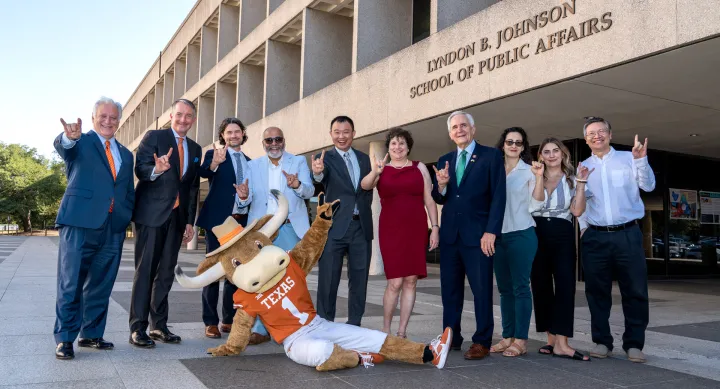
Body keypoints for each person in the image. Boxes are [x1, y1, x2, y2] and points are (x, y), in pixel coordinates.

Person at [52, 97, 135, 360]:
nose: (108, 121)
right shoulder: (81, 142)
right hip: (79, 222)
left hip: (113, 227)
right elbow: (64, 148)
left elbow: (126, 190)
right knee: (71, 282)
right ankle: (65, 338)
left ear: (119, 121)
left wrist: (125, 217)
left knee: (101, 284)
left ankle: (91, 334)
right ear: (93, 118)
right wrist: (69, 138)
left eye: (113, 117)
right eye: (103, 116)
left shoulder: (126, 154)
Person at [578, 116, 655, 363]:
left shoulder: (628, 158)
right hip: (595, 237)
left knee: (635, 291)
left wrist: (641, 160)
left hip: (628, 235)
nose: (597, 136)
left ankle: (634, 344)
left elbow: (649, 186)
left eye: (601, 131)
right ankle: (602, 341)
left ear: (610, 135)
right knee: (596, 292)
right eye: (591, 133)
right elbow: (580, 200)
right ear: (586, 139)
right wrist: (583, 229)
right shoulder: (584, 166)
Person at [431, 111, 506, 360]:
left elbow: (498, 197)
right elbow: (439, 197)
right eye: (454, 127)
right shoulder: (444, 159)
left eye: (464, 125)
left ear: (473, 129)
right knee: (450, 291)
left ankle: (482, 340)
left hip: (479, 237)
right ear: (450, 133)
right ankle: (450, 336)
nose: (459, 130)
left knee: (481, 289)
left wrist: (491, 231)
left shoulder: (491, 156)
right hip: (451, 236)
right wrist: (440, 185)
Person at [129, 98, 202, 348]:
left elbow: (192, 188)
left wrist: (190, 222)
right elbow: (141, 168)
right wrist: (157, 169)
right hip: (151, 215)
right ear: (171, 116)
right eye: (179, 114)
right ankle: (138, 327)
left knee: (166, 273)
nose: (184, 120)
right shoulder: (154, 137)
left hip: (178, 218)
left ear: (193, 119)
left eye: (189, 116)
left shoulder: (195, 148)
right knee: (146, 270)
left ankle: (158, 326)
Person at [360, 128, 439, 338]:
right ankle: (385, 330)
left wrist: (435, 228)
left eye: (402, 143)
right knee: (394, 282)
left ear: (408, 147)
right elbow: (365, 186)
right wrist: (376, 171)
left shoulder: (419, 167)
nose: (398, 147)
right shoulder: (381, 169)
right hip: (391, 230)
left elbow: (429, 200)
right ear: (389, 147)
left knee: (411, 280)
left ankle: (402, 332)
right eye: (394, 143)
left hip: (416, 228)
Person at [195, 118, 268, 342]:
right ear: (223, 135)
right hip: (218, 223)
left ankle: (228, 318)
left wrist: (245, 197)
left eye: (237, 132)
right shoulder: (215, 155)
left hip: (241, 224)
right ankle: (210, 322)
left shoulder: (250, 162)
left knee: (234, 273)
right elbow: (204, 172)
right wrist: (215, 163)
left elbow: (251, 192)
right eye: (229, 132)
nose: (233, 135)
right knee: (213, 272)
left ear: (243, 134)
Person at [531, 137, 592, 361]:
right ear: (541, 156)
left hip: (563, 232)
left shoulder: (572, 179)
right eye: (546, 151)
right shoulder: (534, 176)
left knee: (565, 285)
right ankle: (551, 340)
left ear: (563, 153)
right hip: (536, 233)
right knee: (541, 285)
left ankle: (563, 344)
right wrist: (538, 178)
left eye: (555, 150)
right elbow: (535, 204)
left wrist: (582, 184)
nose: (551, 155)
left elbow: (577, 211)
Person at [312, 116, 373, 326]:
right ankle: (324, 325)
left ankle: (354, 324)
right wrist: (317, 173)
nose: (341, 136)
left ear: (353, 133)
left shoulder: (364, 159)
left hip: (361, 227)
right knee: (328, 280)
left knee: (359, 280)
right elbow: (320, 178)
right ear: (331, 134)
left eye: (346, 132)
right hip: (334, 228)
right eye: (337, 132)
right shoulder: (325, 159)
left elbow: (366, 190)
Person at [489, 127, 544, 357]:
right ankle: (507, 335)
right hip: (497, 236)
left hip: (521, 234)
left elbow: (537, 205)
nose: (513, 145)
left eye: (518, 143)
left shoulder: (529, 171)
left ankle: (521, 339)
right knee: (504, 289)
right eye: (509, 141)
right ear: (503, 144)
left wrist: (540, 177)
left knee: (521, 287)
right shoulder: (493, 169)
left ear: (523, 147)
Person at [237, 126, 315, 252]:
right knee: (261, 271)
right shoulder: (252, 166)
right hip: (261, 229)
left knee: (291, 271)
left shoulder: (298, 161)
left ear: (284, 141)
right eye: (269, 140)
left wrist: (298, 185)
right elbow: (244, 198)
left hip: (290, 227)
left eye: (278, 139)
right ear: (263, 143)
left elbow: (309, 192)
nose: (274, 144)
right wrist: (243, 196)